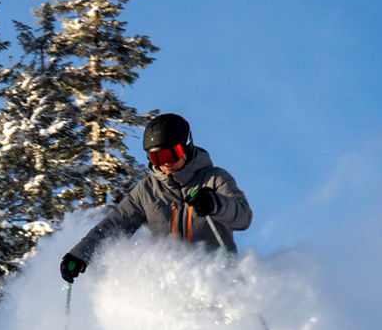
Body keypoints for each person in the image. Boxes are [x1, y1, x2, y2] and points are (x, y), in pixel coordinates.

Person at [60, 113, 252, 283]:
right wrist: (80, 254)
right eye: (157, 158)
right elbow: (115, 225)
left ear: (186, 147)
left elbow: (243, 217)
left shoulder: (213, 179)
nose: (165, 163)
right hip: (170, 286)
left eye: (171, 154)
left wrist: (216, 204)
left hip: (216, 281)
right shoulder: (148, 190)